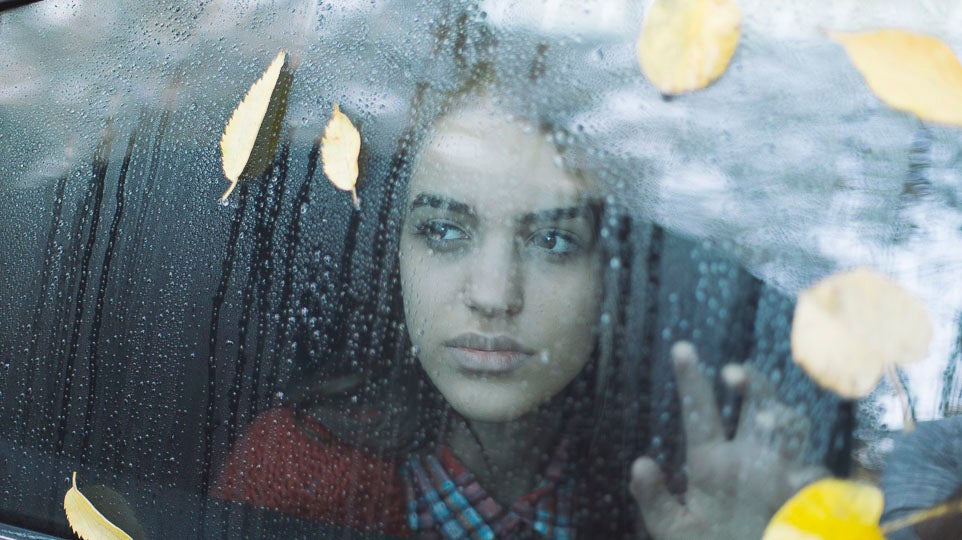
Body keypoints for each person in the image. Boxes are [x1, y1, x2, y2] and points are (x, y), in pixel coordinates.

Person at [212, 67, 833, 539]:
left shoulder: (677, 495)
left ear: (610, 279)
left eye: (553, 240)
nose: (492, 296)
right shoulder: (299, 471)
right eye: (444, 231)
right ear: (394, 257)